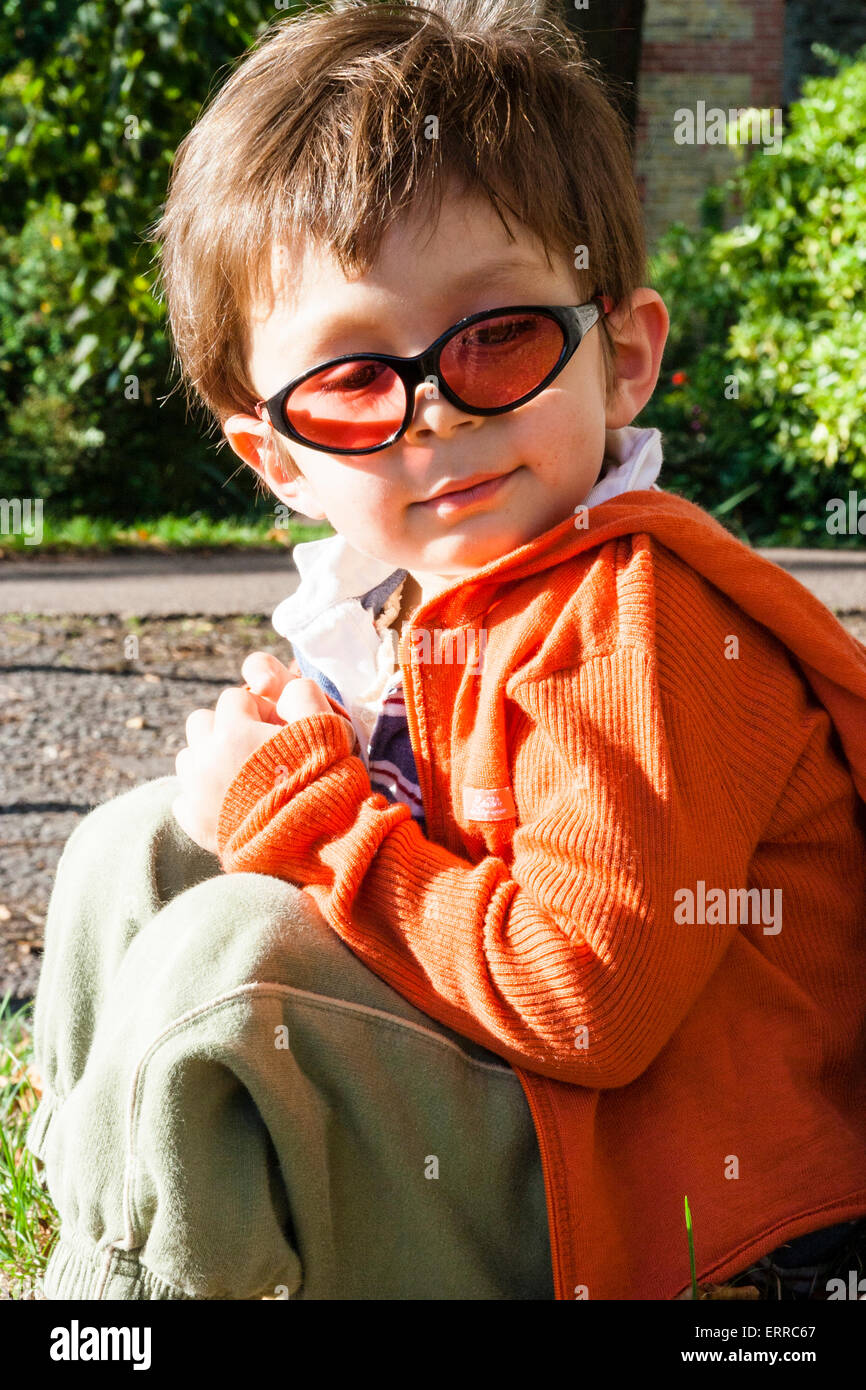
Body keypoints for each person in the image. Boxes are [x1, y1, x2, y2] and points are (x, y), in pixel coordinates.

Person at [27, 0, 866, 1301]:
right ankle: (108, 1257)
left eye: (499, 336)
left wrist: (306, 814)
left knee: (231, 961)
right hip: (545, 1121)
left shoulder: (633, 616)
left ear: (624, 356)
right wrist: (313, 762)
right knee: (136, 846)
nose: (433, 411)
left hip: (687, 1224)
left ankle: (118, 1316)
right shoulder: (414, 602)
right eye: (356, 379)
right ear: (279, 458)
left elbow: (584, 1001)